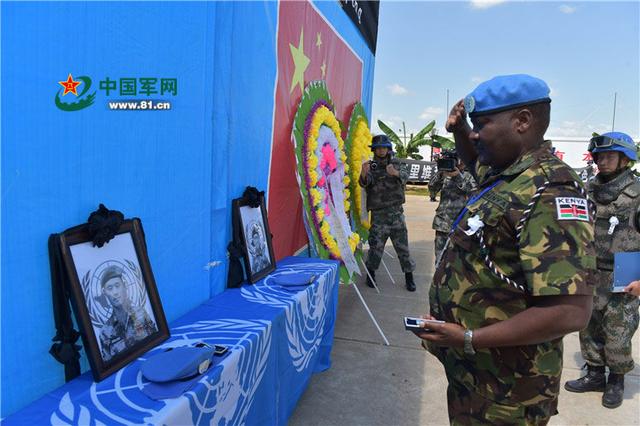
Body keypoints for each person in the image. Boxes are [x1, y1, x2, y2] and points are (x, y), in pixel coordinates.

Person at [414, 74, 596, 424]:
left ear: (522, 121)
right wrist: (459, 129)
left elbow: (570, 311)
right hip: (479, 374)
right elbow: (476, 166)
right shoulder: (511, 173)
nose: (475, 134)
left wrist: (469, 337)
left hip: (509, 390)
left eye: (482, 124)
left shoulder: (550, 190)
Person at [564, 132, 640, 409]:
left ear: (625, 159)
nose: (602, 161)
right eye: (599, 156)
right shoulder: (586, 190)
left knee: (618, 331)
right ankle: (595, 373)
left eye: (610, 155)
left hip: (625, 271)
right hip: (589, 270)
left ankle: (616, 380)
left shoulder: (637, 194)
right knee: (588, 324)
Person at [359, 134, 416, 291]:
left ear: (388, 148)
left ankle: (409, 278)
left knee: (402, 248)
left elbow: (406, 176)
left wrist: (396, 173)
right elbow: (364, 183)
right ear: (375, 150)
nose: (382, 150)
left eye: (384, 147)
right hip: (378, 216)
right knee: (375, 248)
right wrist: (364, 173)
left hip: (396, 214)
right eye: (378, 148)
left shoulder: (396, 163)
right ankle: (371, 275)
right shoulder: (371, 166)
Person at [99, 265, 157, 361]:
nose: (115, 292)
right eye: (110, 288)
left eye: (117, 286)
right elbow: (108, 365)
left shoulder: (141, 314)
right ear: (104, 292)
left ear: (124, 286)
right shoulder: (105, 332)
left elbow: (156, 339)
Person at [429, 152, 477, 261]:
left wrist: (458, 177)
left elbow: (473, 193)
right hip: (443, 222)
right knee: (440, 257)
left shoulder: (471, 175)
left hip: (462, 224)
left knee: (460, 259)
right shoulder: (443, 174)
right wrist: (440, 175)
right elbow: (432, 190)